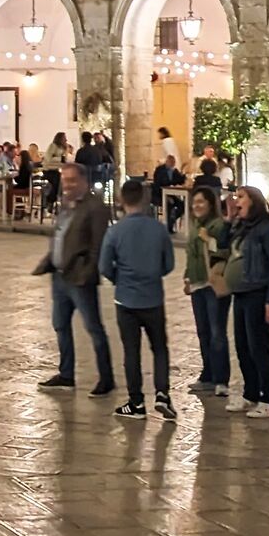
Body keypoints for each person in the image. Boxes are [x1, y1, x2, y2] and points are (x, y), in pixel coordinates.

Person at [33, 163, 113, 394]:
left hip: (79, 278)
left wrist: (88, 272)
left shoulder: (95, 207)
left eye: (71, 181)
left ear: (83, 182)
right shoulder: (66, 205)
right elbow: (59, 235)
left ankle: (106, 378)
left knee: (93, 327)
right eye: (64, 180)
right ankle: (66, 374)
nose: (66, 185)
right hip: (59, 276)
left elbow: (98, 245)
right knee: (60, 324)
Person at [98, 178, 175, 420]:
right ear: (144, 199)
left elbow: (104, 265)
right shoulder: (158, 229)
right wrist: (153, 274)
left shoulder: (115, 231)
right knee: (159, 348)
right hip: (153, 297)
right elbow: (169, 264)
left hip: (126, 300)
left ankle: (136, 402)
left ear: (121, 200)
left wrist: (119, 279)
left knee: (131, 351)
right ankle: (162, 393)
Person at [222, 187, 269, 417]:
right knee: (242, 347)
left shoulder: (266, 230)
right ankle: (250, 394)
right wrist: (230, 218)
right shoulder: (241, 227)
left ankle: (268, 399)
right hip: (240, 294)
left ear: (254, 202)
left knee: (259, 347)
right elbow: (223, 245)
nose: (237, 200)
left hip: (257, 294)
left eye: (241, 197)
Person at [182, 186, 232, 394]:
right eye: (194, 202)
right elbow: (191, 253)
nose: (197, 206)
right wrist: (187, 276)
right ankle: (208, 374)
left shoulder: (219, 225)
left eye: (201, 202)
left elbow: (224, 252)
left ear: (211, 204)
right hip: (197, 283)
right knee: (203, 331)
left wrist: (208, 240)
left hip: (213, 284)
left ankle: (221, 379)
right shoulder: (194, 225)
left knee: (216, 331)